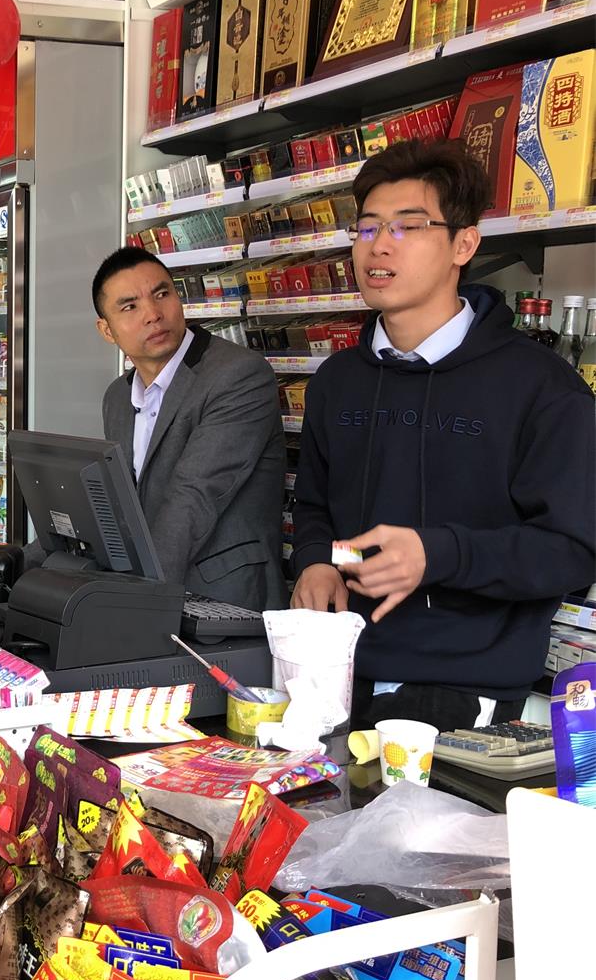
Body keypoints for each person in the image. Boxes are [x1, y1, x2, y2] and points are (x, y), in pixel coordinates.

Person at [290, 137, 596, 731]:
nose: (379, 245)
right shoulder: (338, 381)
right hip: (334, 671)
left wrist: (437, 555)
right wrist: (320, 562)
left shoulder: (540, 387)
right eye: (367, 227)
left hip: (465, 691)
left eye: (408, 226)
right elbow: (317, 508)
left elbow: (572, 551)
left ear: (464, 244)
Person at [94, 246, 286, 611]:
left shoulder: (238, 375)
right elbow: (120, 505)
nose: (153, 314)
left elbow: (194, 495)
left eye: (162, 294)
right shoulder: (117, 397)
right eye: (130, 306)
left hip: (225, 606)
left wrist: (134, 603)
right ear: (107, 329)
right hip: (152, 595)